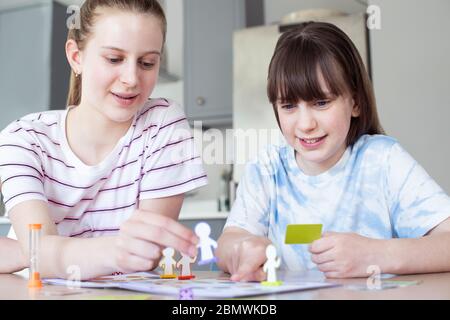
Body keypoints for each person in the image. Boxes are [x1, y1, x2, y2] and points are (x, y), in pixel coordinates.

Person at [216, 22, 450, 281]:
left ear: (356, 102)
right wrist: (241, 249)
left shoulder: (382, 160)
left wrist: (378, 254)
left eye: (321, 102)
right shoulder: (267, 168)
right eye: (289, 106)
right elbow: (228, 243)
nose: (305, 124)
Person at [0, 0, 207, 279]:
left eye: (147, 63)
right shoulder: (23, 140)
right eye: (114, 59)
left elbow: (145, 255)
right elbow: (41, 257)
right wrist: (41, 253)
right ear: (76, 57)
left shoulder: (163, 125)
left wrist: (23, 253)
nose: (132, 78)